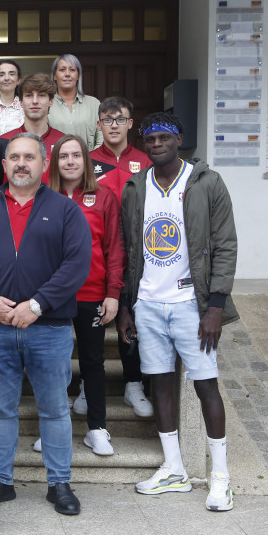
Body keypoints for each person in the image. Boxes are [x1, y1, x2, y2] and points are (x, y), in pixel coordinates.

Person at [0, 133, 91, 515]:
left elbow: (76, 265)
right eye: (13, 157)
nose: (20, 163)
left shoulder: (66, 210)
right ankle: (0, 481)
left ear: (42, 163)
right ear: (3, 165)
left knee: (54, 409)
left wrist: (37, 304)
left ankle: (59, 483)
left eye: (28, 157)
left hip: (48, 329)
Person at [117, 112, 238, 512]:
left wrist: (215, 306)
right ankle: (174, 469)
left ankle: (220, 476)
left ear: (179, 139)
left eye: (164, 137)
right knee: (161, 385)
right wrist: (128, 307)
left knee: (205, 384)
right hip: (148, 303)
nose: (156, 144)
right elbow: (129, 249)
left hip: (192, 305)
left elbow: (225, 244)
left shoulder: (206, 182)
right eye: (149, 139)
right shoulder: (136, 186)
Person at [46, 134, 122, 456]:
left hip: (92, 294)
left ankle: (97, 428)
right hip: (52, 297)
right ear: (55, 162)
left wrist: (113, 292)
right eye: (64, 156)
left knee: (92, 361)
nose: (71, 161)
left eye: (76, 155)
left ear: (86, 160)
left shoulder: (104, 197)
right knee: (53, 364)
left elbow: (114, 248)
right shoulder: (43, 198)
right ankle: (52, 429)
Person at [89, 96, 154, 418]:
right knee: (94, 320)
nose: (113, 126)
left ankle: (133, 383)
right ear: (98, 125)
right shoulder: (85, 161)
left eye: (120, 119)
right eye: (107, 120)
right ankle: (89, 385)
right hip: (96, 254)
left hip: (138, 254)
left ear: (130, 124)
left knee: (131, 317)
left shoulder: (146, 160)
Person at [0, 73, 65, 186]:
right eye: (29, 95)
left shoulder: (63, 142)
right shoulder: (3, 142)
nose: (35, 101)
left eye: (41, 95)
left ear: (51, 101)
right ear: (21, 102)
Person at [48, 54, 103, 150]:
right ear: (55, 76)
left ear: (78, 75)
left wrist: (91, 160)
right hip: (55, 162)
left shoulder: (94, 104)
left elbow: (102, 137)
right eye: (62, 70)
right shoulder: (46, 104)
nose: (67, 74)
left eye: (72, 70)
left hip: (89, 162)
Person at [0, 60, 24, 137]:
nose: (7, 78)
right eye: (1, 75)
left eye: (11, 74)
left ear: (18, 80)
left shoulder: (26, 106)